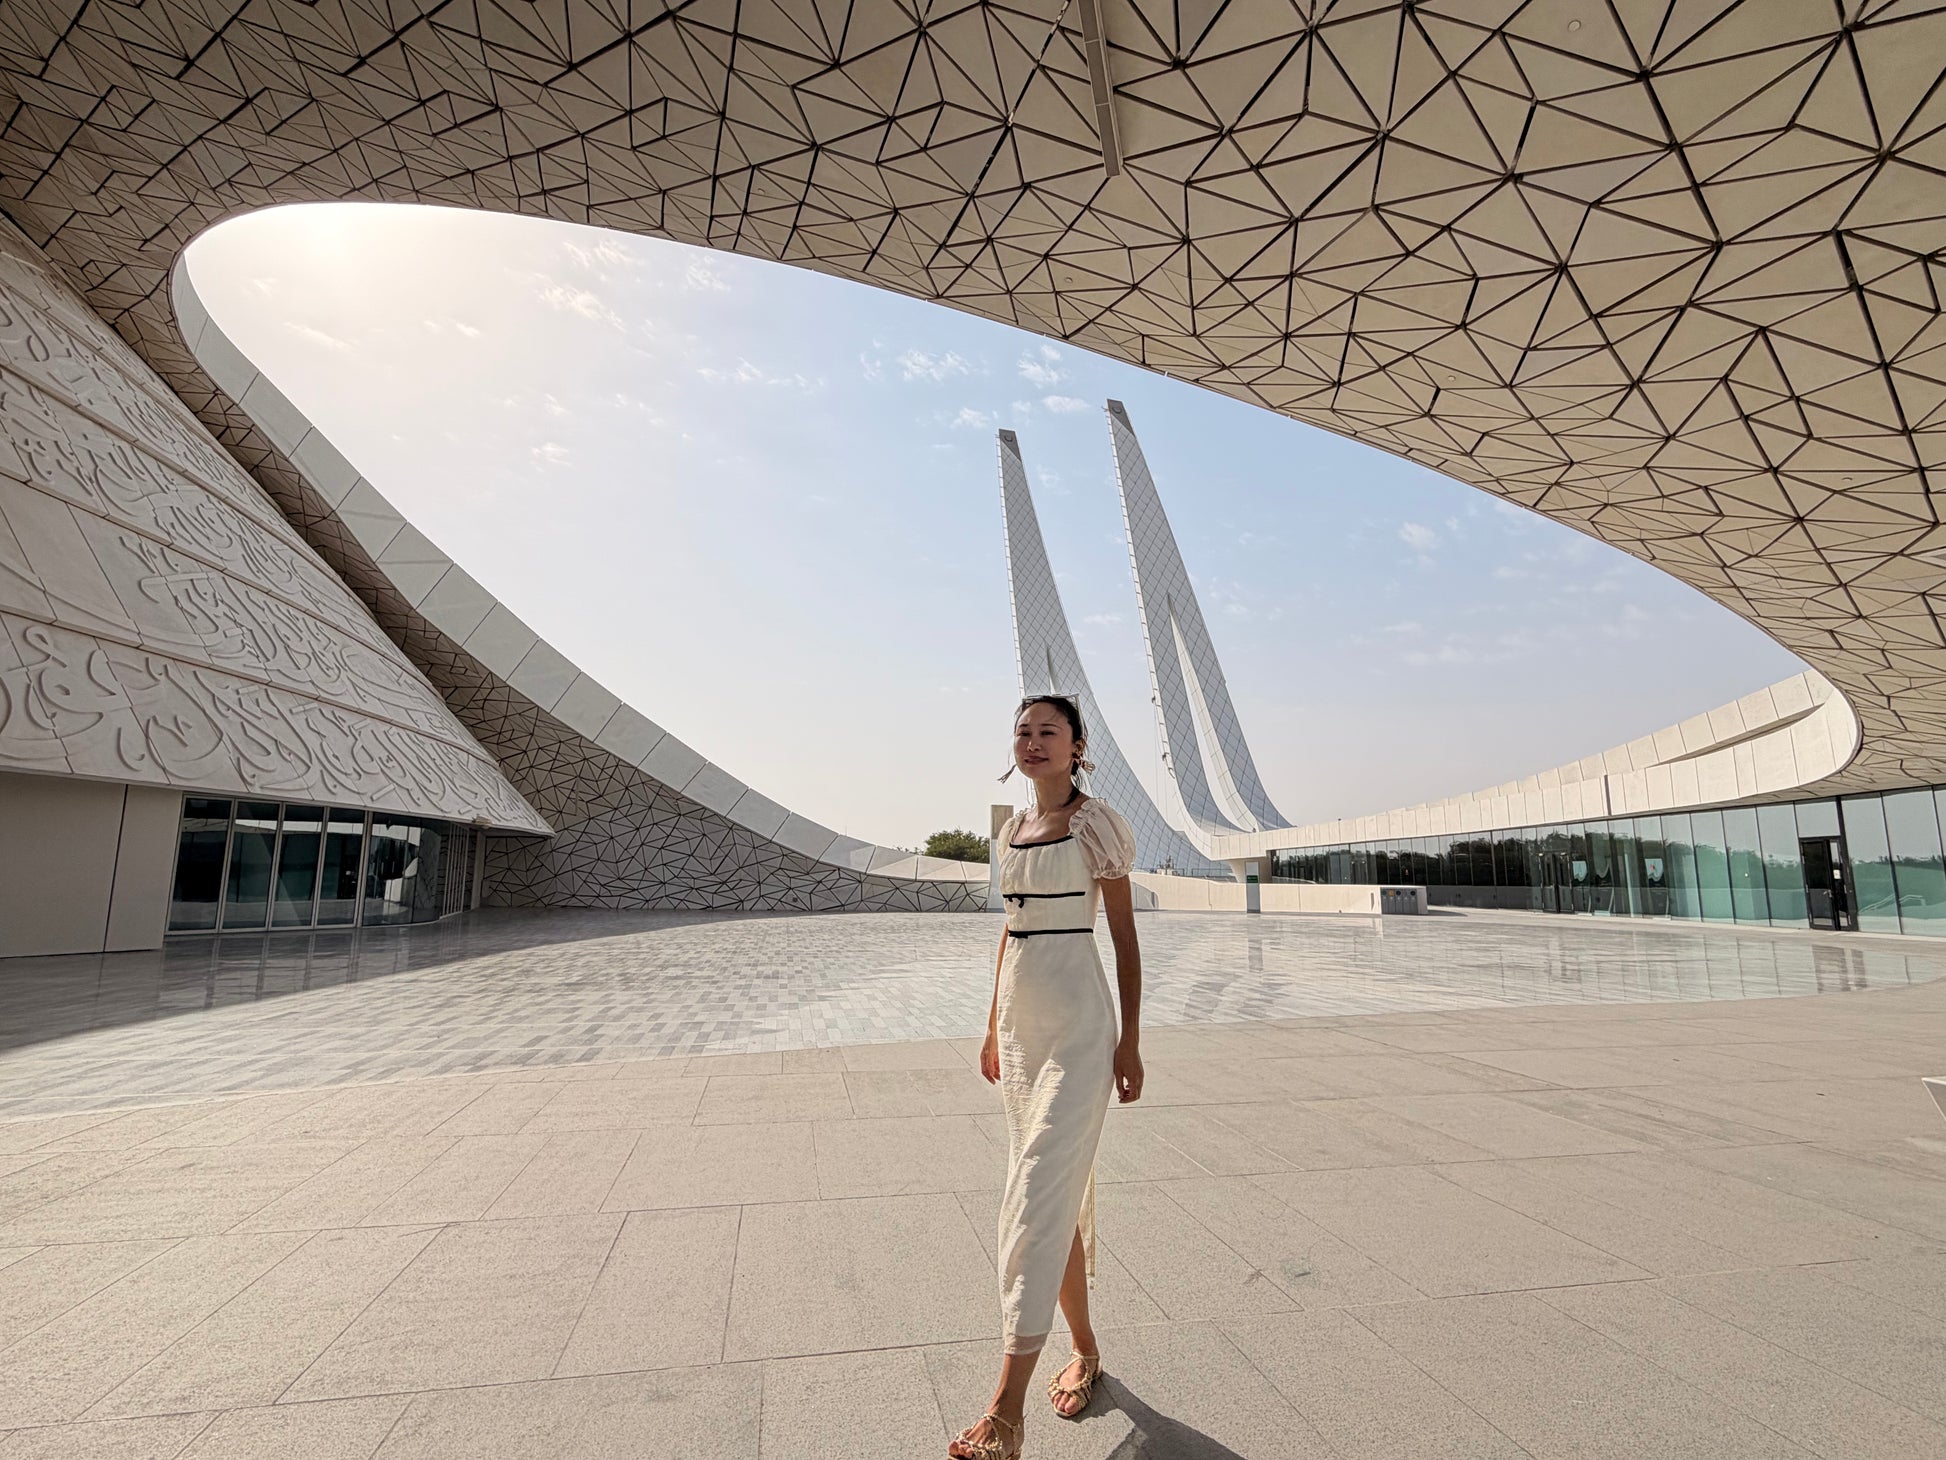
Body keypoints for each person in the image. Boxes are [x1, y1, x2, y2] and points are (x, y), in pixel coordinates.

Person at [949, 694, 1144, 1460]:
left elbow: (1123, 936)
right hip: (1021, 1028)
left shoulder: (1097, 826)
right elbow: (1012, 927)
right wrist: (991, 1024)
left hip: (1081, 1031)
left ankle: (1006, 1412)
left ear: (1077, 747)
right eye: (1023, 732)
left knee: (1034, 1190)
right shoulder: (1011, 830)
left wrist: (1131, 1041)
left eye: (1048, 732)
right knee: (1050, 1195)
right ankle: (1085, 1350)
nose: (1032, 742)